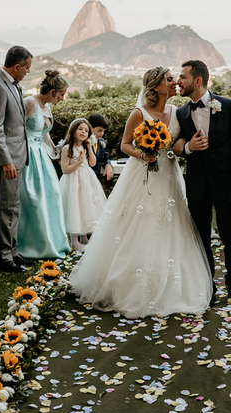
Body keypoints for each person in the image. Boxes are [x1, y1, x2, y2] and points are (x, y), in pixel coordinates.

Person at [69, 66, 213, 318]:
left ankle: (168, 283)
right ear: (156, 86)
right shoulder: (140, 113)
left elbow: (178, 142)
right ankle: (129, 284)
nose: (174, 83)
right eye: (169, 80)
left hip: (169, 176)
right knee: (139, 226)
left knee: (172, 226)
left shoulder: (177, 112)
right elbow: (124, 145)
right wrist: (144, 154)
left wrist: (182, 145)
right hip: (143, 178)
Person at [174, 59, 231, 300]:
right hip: (196, 185)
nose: (179, 81)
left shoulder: (227, 106)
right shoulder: (181, 112)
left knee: (230, 237)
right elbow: (176, 146)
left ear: (197, 80)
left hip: (225, 182)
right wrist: (189, 147)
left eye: (183, 77)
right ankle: (207, 285)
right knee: (200, 239)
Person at [0, 47, 32, 272]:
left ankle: (12, 250)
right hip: (6, 159)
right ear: (17, 66)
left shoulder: (12, 85)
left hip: (18, 155)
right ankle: (3, 257)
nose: (28, 72)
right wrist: (6, 161)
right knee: (4, 207)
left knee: (13, 206)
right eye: (27, 68)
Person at [18, 70, 70, 260]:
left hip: (42, 155)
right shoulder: (29, 103)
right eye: (62, 95)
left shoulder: (47, 107)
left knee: (52, 195)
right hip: (28, 155)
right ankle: (33, 245)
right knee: (33, 199)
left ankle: (53, 241)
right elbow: (16, 130)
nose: (63, 99)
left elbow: (44, 134)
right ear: (52, 92)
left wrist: (56, 149)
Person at [59, 118, 106, 251]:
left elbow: (92, 163)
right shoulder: (67, 148)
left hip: (87, 180)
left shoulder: (86, 146)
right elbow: (65, 169)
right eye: (80, 129)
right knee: (75, 207)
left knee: (85, 206)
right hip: (73, 180)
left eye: (86, 131)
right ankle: (74, 241)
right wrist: (79, 161)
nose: (83, 132)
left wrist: (89, 147)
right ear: (73, 130)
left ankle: (84, 238)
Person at [87, 112, 115, 183]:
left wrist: (108, 165)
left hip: (96, 179)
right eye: (99, 130)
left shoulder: (103, 142)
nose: (102, 134)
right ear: (90, 127)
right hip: (85, 177)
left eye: (103, 131)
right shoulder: (84, 142)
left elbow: (105, 157)